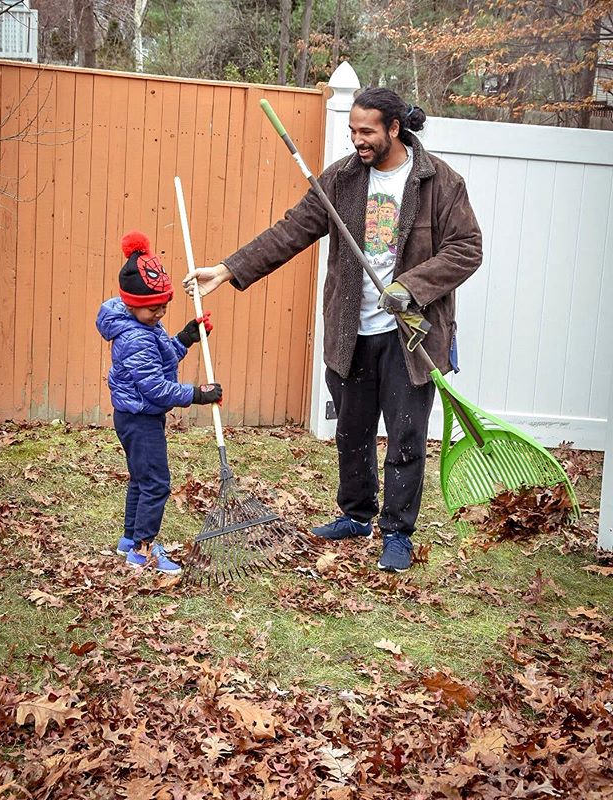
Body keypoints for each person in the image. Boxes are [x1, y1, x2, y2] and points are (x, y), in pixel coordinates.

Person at [184, 87, 482, 572]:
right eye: (352, 132)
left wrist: (410, 286)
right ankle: (356, 514)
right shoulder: (341, 180)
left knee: (406, 436)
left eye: (366, 131)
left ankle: (398, 533)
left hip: (410, 334)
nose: (357, 141)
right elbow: (291, 230)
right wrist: (228, 269)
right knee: (352, 431)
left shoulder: (439, 182)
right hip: (351, 330)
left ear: (394, 128)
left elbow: (467, 248)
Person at [97, 231, 223, 575]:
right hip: (140, 419)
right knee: (156, 484)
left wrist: (186, 337)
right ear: (131, 304)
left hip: (135, 416)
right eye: (155, 308)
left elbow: (163, 358)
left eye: (164, 306)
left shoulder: (143, 326)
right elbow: (157, 389)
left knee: (141, 479)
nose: (160, 312)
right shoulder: (135, 336)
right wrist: (197, 394)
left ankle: (129, 541)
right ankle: (144, 550)